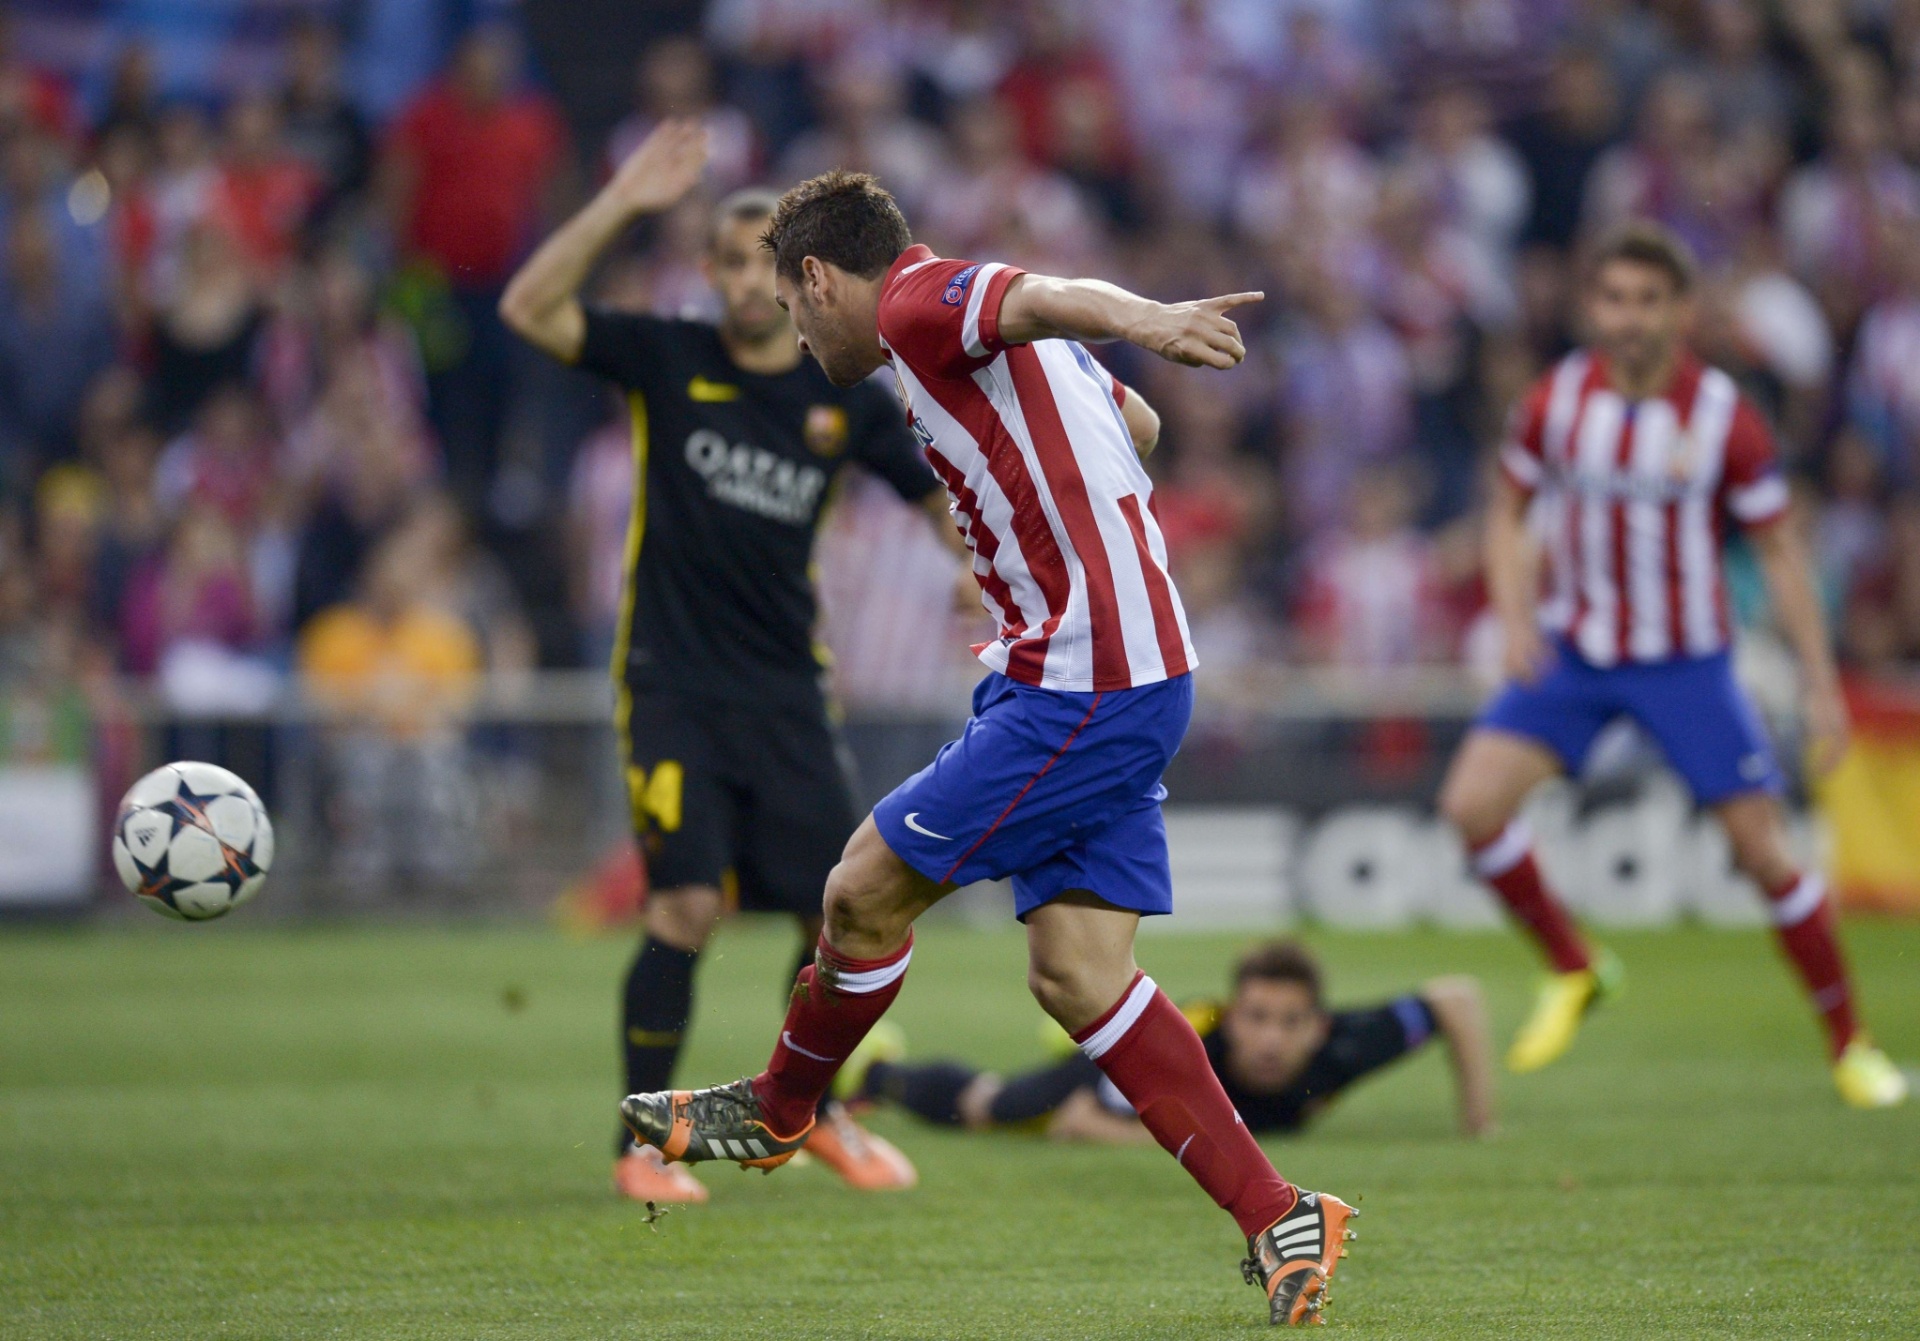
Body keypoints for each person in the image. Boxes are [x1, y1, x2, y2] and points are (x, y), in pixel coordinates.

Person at [616, 168, 1357, 1328]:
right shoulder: (975, 351)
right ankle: (1279, 1214)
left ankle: (780, 1106)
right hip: (1104, 671)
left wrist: (1148, 316)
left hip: (1086, 683)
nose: (794, 332)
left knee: (860, 893)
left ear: (818, 276)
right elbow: (1139, 425)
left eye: (792, 304)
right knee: (1077, 973)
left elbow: (1041, 293)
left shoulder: (917, 306)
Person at [499, 123, 959, 1204]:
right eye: (733, 257)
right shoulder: (668, 357)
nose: (754, 278)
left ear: (797, 277)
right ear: (709, 273)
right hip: (671, 684)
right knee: (684, 909)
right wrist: (620, 199)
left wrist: (977, 566)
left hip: (788, 690)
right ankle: (637, 1144)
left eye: (772, 259)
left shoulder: (841, 392)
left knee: (843, 910)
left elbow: (933, 494)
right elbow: (527, 308)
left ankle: (821, 1115)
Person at [1436, 221, 1908, 1109]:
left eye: (1649, 300)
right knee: (1470, 804)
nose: (1630, 317)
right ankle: (1577, 968)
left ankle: (1852, 1046)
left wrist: (1820, 682)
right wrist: (1511, 617)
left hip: (1686, 663)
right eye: (1614, 298)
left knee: (1764, 853)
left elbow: (1780, 553)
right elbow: (1505, 509)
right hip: (1576, 652)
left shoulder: (1725, 416)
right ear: (1592, 306)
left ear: (1682, 312)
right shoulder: (1556, 400)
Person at [846, 941, 1496, 1143]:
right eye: (1258, 1017)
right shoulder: (1188, 1055)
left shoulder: (1349, 1043)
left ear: (1319, 1026)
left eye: (1290, 1021)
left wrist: (1479, 1123)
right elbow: (1080, 1123)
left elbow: (1458, 999)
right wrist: (1207, 1145)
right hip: (1134, 1051)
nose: (1271, 1038)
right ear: (1234, 1016)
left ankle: (1074, 1030)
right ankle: (875, 1073)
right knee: (994, 1105)